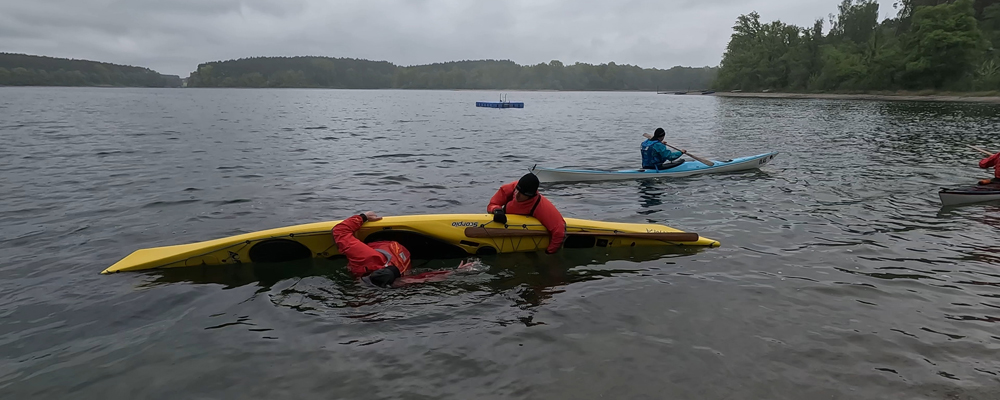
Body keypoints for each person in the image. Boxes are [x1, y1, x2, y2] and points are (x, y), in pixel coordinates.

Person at [332, 211, 472, 287]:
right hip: (397, 257)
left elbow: (340, 231)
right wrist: (456, 272)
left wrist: (362, 217)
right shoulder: (399, 279)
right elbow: (426, 278)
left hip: (382, 263)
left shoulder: (365, 257)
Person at [487, 173, 566, 254]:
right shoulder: (513, 188)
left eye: (522, 194)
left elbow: (559, 230)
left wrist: (549, 252)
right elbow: (492, 204)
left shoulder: (539, 205)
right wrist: (496, 210)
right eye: (517, 190)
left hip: (523, 237)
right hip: (503, 226)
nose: (517, 195)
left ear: (530, 196)